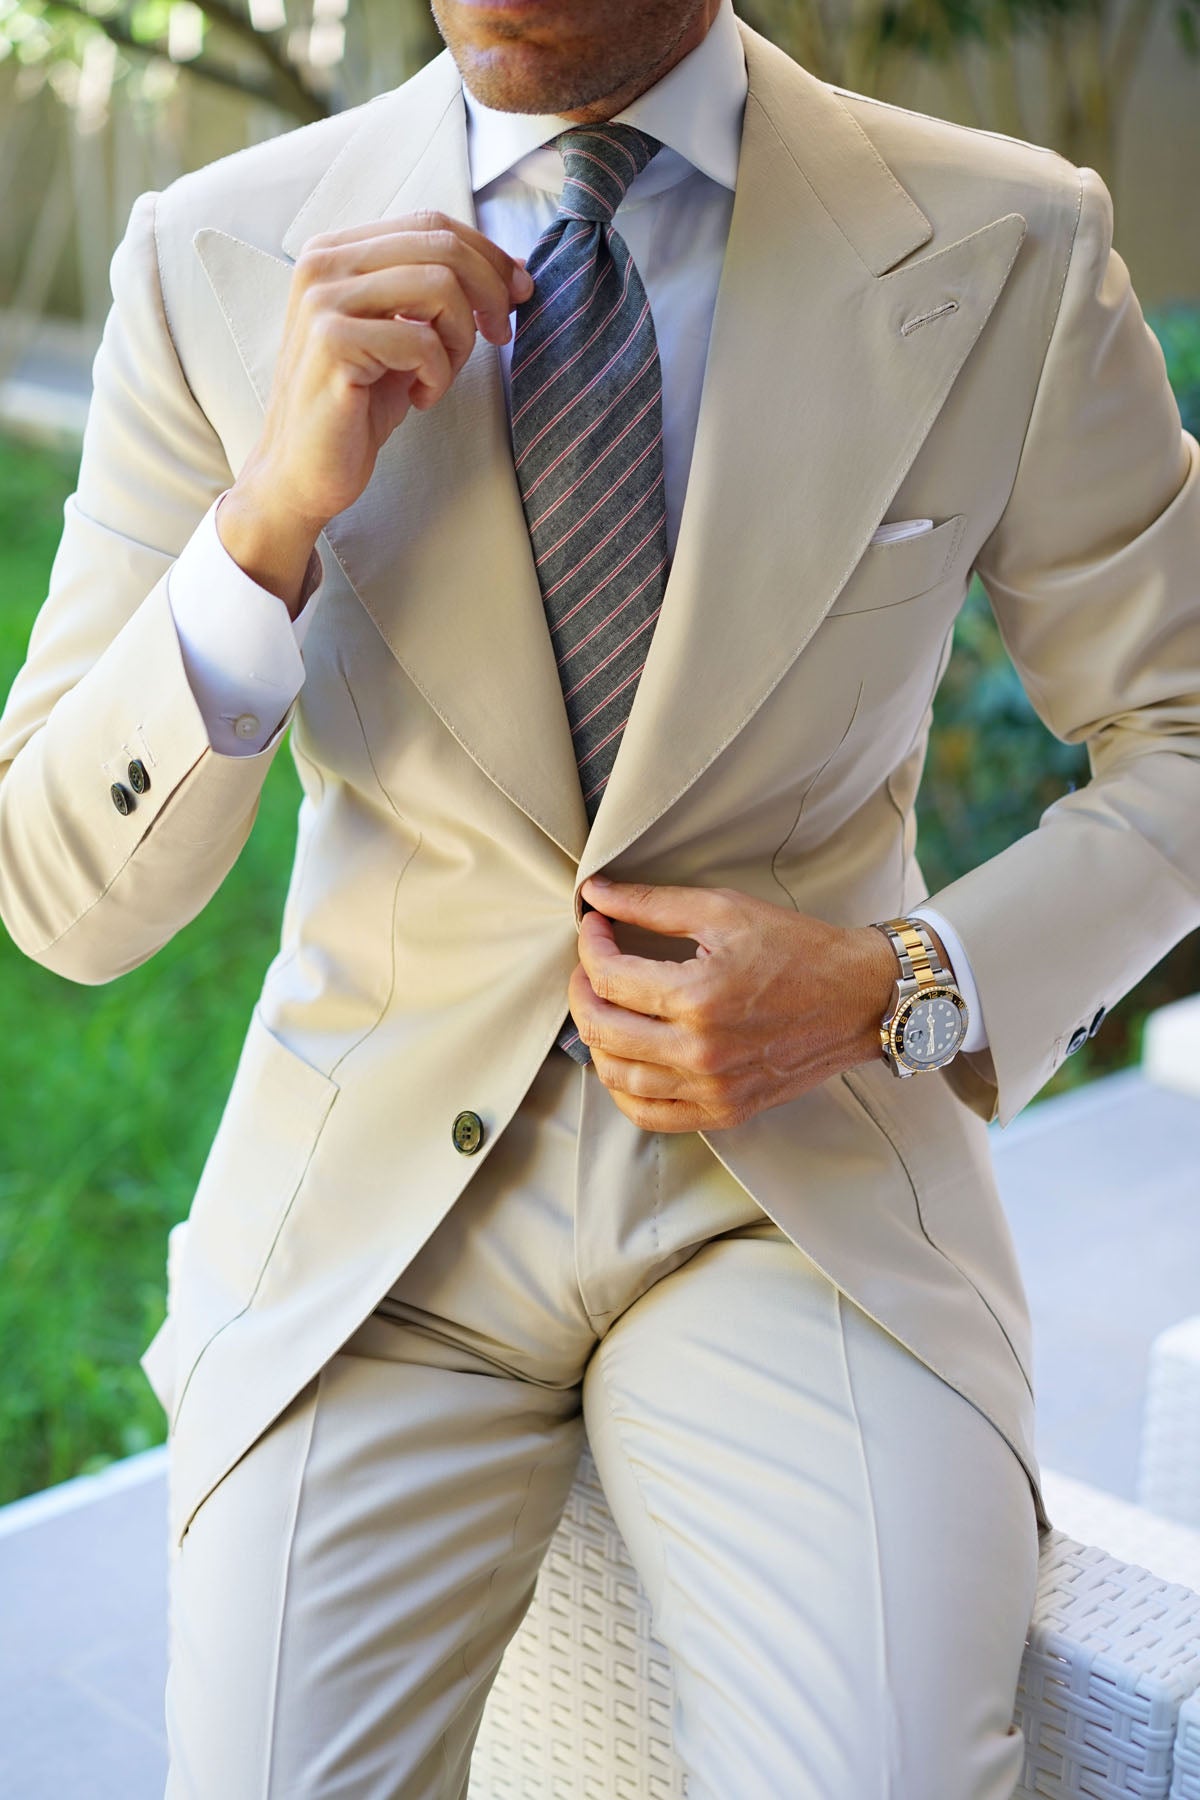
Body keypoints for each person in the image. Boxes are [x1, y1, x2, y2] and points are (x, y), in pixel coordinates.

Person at [2, 0, 1198, 1791]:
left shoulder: (1010, 238)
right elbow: (61, 896)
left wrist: (896, 980)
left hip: (802, 1201)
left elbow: (1181, 732)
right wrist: (260, 531)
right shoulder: (217, 257)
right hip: (371, 1223)